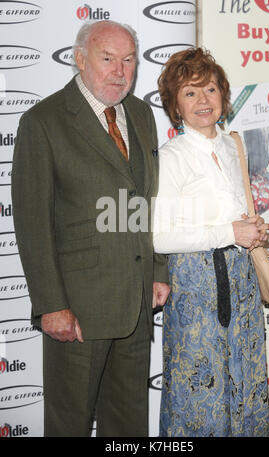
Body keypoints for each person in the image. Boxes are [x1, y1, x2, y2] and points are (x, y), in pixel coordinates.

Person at [12, 20, 170, 437]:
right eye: (107, 59)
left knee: (129, 425)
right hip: (76, 311)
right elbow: (31, 222)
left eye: (129, 60)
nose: (120, 71)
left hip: (135, 304)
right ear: (79, 59)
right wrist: (50, 304)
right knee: (70, 424)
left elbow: (147, 199)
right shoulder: (43, 121)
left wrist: (156, 269)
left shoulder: (140, 114)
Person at [153, 47, 269, 437]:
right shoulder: (173, 157)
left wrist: (250, 228)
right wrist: (228, 233)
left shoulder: (232, 146)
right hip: (196, 289)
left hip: (242, 282)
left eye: (210, 89)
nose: (203, 100)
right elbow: (160, 236)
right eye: (190, 92)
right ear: (175, 105)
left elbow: (233, 216)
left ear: (223, 95)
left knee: (245, 382)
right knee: (199, 394)